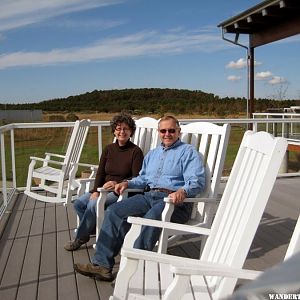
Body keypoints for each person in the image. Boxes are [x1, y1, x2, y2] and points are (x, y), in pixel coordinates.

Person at [73, 115, 205, 281]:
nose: (167, 134)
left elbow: (197, 181)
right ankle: (102, 265)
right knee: (114, 211)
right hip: (149, 195)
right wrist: (127, 183)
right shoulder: (153, 154)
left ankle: (134, 272)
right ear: (159, 132)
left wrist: (182, 192)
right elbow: (143, 179)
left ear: (179, 131)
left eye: (172, 130)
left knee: (151, 218)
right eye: (163, 130)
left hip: (174, 202)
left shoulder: (188, 152)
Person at [64, 112, 144, 251]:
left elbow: (136, 177)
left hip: (119, 191)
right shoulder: (108, 149)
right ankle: (91, 228)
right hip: (102, 188)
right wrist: (95, 190)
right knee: (78, 204)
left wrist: (116, 183)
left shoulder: (135, 152)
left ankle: (81, 237)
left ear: (131, 131)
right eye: (118, 129)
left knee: (92, 204)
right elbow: (100, 172)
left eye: (125, 129)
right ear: (114, 131)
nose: (122, 132)